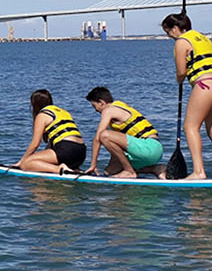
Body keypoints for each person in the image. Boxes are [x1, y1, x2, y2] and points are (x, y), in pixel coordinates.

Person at [163, 12, 212, 179]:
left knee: (190, 127)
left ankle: (199, 172)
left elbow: (181, 72)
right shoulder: (203, 38)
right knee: (211, 129)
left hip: (204, 84)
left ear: (175, 28)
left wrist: (179, 80)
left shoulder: (181, 42)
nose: (169, 36)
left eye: (168, 32)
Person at [84, 86, 163, 178]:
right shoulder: (120, 105)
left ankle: (129, 171)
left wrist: (93, 165)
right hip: (155, 150)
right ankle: (156, 169)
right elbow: (116, 146)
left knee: (104, 135)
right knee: (109, 172)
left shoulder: (109, 110)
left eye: (94, 106)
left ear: (101, 102)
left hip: (148, 147)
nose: (95, 110)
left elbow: (98, 138)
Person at [15, 89, 86, 173]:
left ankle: (60, 169)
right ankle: (73, 169)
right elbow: (53, 143)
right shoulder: (63, 112)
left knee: (26, 163)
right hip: (81, 152)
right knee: (38, 160)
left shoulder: (43, 115)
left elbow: (35, 144)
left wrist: (22, 161)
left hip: (66, 149)